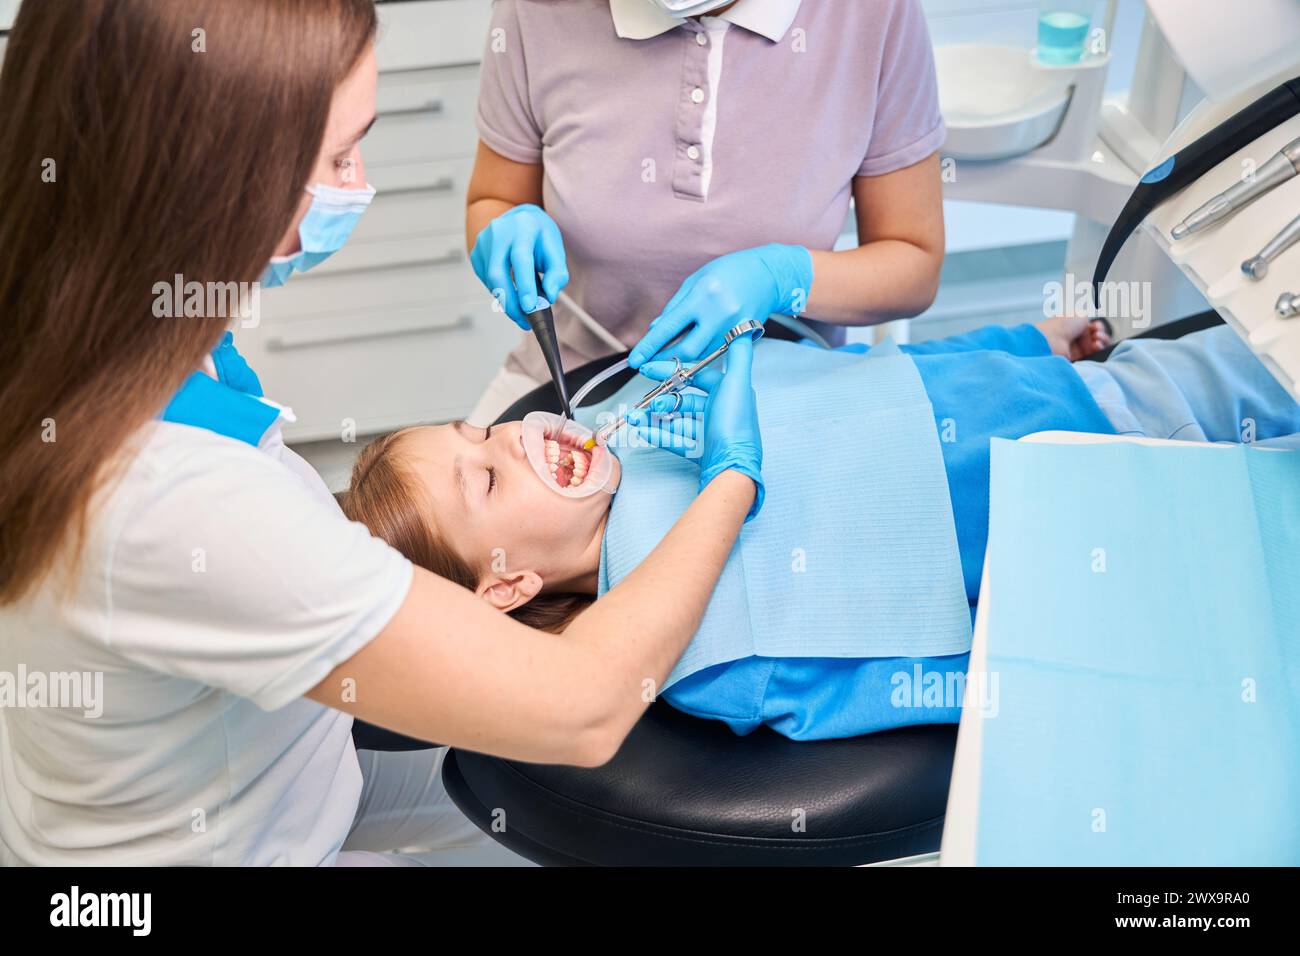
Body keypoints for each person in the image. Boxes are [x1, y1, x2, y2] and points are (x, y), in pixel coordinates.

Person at [0, 0, 763, 866]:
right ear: (211, 179)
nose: (359, 181)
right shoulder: (171, 504)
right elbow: (584, 708)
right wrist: (733, 479)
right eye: (335, 156)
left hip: (279, 773)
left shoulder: (104, 320)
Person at [341, 315, 1300, 740]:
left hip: (1105, 388)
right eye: (488, 478)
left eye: (486, 429)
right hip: (1129, 514)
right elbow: (934, 682)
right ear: (504, 584)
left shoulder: (651, 398)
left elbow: (881, 375)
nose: (517, 436)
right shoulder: (712, 657)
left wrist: (1023, 340)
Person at [464, 0, 949, 424]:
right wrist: (504, 235)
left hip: (785, 393)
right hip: (572, 380)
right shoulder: (535, 12)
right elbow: (493, 200)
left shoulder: (872, 13)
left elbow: (914, 263)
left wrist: (783, 278)